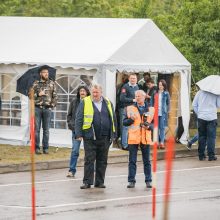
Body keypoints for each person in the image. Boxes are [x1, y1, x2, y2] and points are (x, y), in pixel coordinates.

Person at [75, 83, 117, 189]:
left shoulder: (108, 102)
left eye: (97, 92)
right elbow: (79, 118)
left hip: (105, 136)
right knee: (89, 160)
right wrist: (78, 134)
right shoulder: (85, 102)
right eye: (93, 92)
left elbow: (113, 118)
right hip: (90, 136)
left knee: (102, 160)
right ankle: (87, 182)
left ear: (101, 92)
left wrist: (114, 133)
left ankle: (100, 182)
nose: (95, 94)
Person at [123, 90, 154, 188]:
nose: (137, 98)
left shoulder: (151, 109)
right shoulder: (129, 108)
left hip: (145, 138)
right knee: (132, 161)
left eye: (139, 96)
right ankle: (131, 181)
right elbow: (124, 122)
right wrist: (131, 119)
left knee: (147, 161)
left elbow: (155, 125)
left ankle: (148, 181)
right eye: (136, 96)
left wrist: (149, 127)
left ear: (144, 97)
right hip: (133, 138)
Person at [32, 66, 57, 154]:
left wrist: (52, 106)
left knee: (46, 130)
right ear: (40, 74)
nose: (46, 74)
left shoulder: (52, 83)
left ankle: (45, 148)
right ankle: (37, 148)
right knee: (37, 130)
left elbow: (55, 96)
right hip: (37, 109)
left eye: (47, 72)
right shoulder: (36, 83)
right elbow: (30, 95)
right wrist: (38, 94)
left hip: (47, 109)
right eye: (44, 72)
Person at [66, 86, 90, 178]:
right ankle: (72, 170)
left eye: (84, 91)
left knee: (89, 151)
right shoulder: (74, 102)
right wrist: (72, 126)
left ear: (87, 92)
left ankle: (91, 170)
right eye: (81, 91)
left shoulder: (90, 102)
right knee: (75, 150)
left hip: (87, 131)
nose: (82, 92)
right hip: (76, 131)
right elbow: (69, 115)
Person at [192, 90, 220, 161]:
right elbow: (219, 105)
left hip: (201, 117)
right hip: (212, 118)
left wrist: (199, 114)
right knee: (211, 138)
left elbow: (194, 105)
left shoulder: (199, 92)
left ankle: (201, 155)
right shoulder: (215, 93)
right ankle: (211, 156)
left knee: (202, 137)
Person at [119, 73, 139, 150]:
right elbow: (122, 98)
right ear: (129, 79)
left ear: (136, 79)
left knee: (133, 127)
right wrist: (133, 100)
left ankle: (131, 144)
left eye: (134, 78)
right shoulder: (125, 87)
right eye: (132, 78)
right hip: (125, 109)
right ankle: (124, 145)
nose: (133, 80)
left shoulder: (137, 86)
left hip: (133, 109)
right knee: (125, 127)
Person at [153, 79, 170, 149]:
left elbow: (168, 103)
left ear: (164, 86)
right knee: (156, 128)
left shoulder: (166, 93)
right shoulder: (155, 92)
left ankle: (162, 142)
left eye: (162, 85)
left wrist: (167, 111)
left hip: (163, 113)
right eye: (159, 85)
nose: (160, 86)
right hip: (155, 112)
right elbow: (151, 102)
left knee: (162, 128)